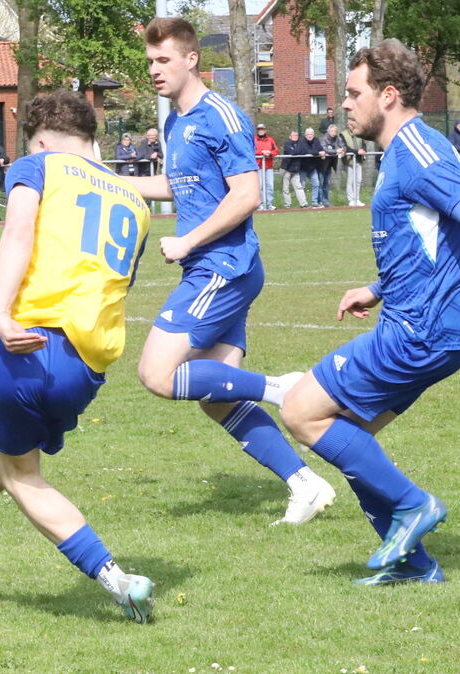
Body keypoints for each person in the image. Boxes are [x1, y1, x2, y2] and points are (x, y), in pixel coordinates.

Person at [203, 39, 460, 585]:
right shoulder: (403, 151)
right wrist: (375, 288)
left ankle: (414, 505)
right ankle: (414, 566)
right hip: (428, 323)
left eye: (353, 93)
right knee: (347, 436)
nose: (344, 104)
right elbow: (429, 240)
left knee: (301, 411)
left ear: (388, 95)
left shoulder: (418, 151)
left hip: (423, 329)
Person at [0, 90, 155, 622]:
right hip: (87, 366)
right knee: (12, 459)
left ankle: (116, 580)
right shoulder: (135, 201)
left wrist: (1, 312)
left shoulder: (39, 166)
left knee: (20, 475)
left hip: (27, 342)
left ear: (42, 142)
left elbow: (18, 231)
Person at [122, 17, 336, 525]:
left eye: (164, 60)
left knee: (156, 373)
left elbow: (247, 194)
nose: (154, 70)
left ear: (191, 59)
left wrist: (187, 241)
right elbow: (178, 184)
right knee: (215, 397)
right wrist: (108, 181)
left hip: (224, 267)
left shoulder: (221, 115)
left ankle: (280, 387)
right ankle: (304, 484)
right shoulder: (175, 122)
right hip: (212, 267)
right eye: (150, 61)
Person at [318, 124, 345, 206]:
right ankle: (319, 202)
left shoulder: (338, 138)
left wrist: (343, 151)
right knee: (320, 184)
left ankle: (326, 201)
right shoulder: (323, 138)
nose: (333, 133)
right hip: (322, 165)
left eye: (335, 131)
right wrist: (336, 151)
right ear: (328, 131)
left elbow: (343, 146)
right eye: (332, 131)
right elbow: (324, 149)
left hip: (330, 165)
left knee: (326, 184)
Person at [298, 127, 326, 207]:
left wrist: (322, 152)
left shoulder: (316, 140)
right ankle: (303, 203)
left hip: (312, 167)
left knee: (316, 183)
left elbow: (320, 148)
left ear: (313, 135)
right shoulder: (301, 141)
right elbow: (306, 151)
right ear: (305, 135)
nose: (310, 136)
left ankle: (314, 202)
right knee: (302, 186)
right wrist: (318, 153)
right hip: (303, 167)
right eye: (308, 134)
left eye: (311, 134)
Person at [340, 124, 367, 206]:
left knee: (358, 180)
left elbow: (364, 144)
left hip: (359, 160)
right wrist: (357, 152)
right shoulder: (343, 134)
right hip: (349, 161)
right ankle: (351, 200)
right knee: (350, 181)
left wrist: (364, 150)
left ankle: (357, 199)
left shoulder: (359, 133)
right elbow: (345, 147)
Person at [281, 129, 308, 208]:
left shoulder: (300, 143)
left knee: (298, 187)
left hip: (295, 169)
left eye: (296, 135)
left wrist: (297, 151)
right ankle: (287, 204)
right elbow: (292, 152)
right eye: (294, 135)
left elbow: (304, 151)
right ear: (290, 136)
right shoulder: (287, 143)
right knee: (285, 188)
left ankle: (303, 203)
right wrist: (298, 151)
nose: (295, 137)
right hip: (286, 169)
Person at [254, 124, 279, 210]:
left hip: (269, 166)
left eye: (262, 129)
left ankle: (269, 204)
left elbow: (276, 150)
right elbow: (251, 150)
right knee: (260, 185)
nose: (261, 131)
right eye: (259, 129)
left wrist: (270, 153)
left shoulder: (270, 139)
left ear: (265, 130)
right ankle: (260, 204)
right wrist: (262, 152)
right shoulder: (254, 140)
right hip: (259, 165)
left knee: (270, 185)